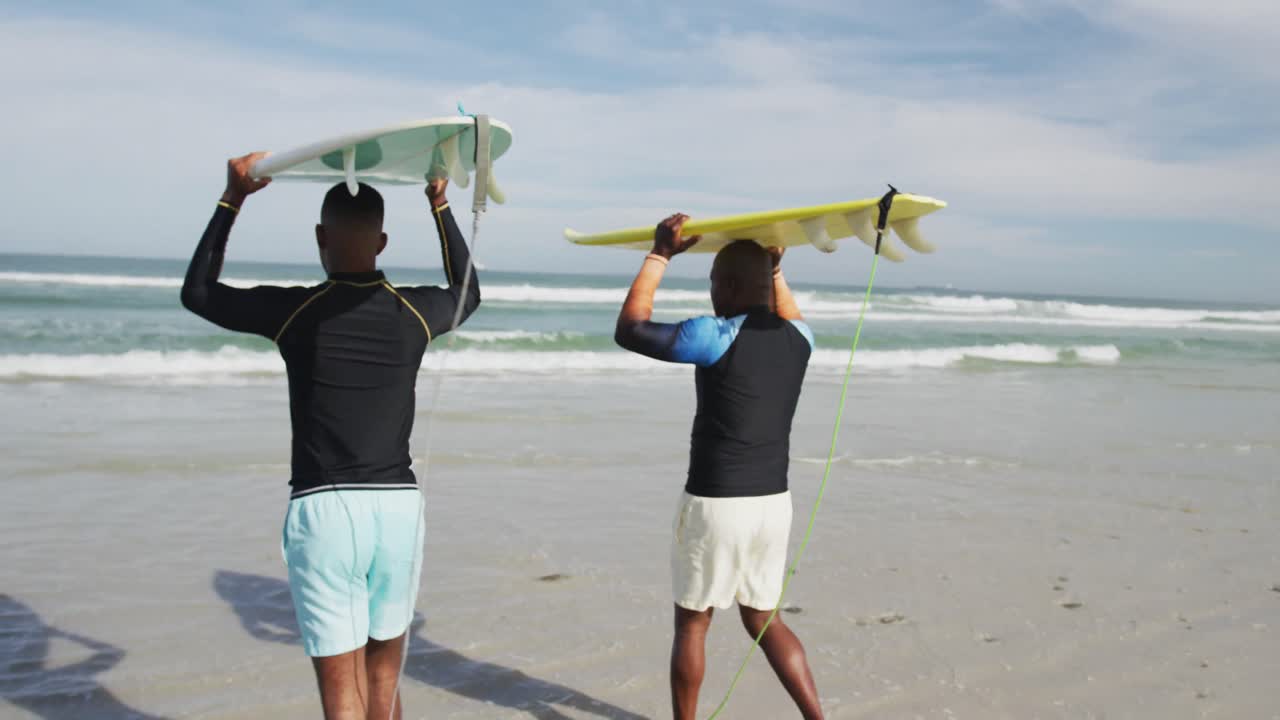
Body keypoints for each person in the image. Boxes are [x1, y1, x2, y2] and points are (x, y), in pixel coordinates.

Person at [181, 153, 480, 720]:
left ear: (320, 237)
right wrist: (439, 203)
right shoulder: (415, 312)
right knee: (384, 685)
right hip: (397, 511)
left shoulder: (296, 310)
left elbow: (198, 292)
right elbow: (469, 290)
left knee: (343, 696)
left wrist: (233, 199)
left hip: (324, 511)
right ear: (383, 242)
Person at [614, 215, 825, 720]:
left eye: (713, 283)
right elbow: (787, 311)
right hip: (773, 504)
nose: (710, 295)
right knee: (764, 618)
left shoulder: (714, 336)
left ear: (726, 286)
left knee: (692, 623)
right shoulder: (802, 338)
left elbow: (630, 329)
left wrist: (659, 254)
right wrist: (774, 271)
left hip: (716, 504)